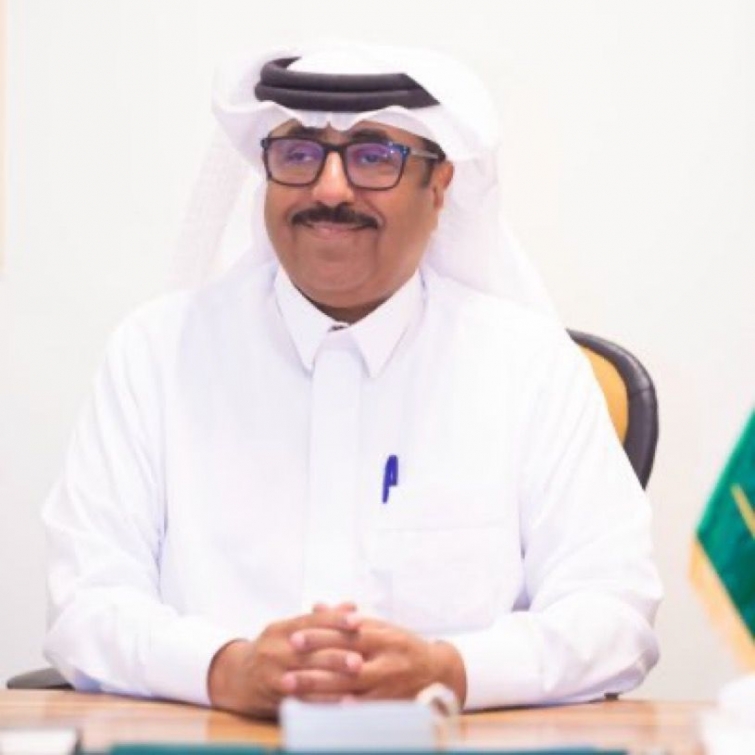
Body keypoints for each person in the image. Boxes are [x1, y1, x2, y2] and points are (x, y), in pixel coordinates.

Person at [42, 42, 662, 719]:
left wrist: (450, 671)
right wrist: (225, 669)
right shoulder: (155, 353)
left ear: (440, 186)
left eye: (373, 157)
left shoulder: (530, 366)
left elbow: (613, 612)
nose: (330, 189)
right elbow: (86, 603)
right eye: (298, 153)